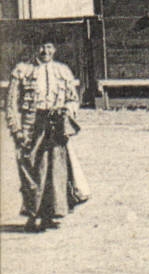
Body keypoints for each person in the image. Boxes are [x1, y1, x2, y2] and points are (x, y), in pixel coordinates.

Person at [6, 41, 89, 232]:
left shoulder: (62, 71)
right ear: (35, 48)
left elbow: (73, 99)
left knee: (55, 171)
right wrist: (17, 130)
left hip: (54, 127)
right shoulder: (22, 70)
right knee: (31, 170)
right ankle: (32, 215)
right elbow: (11, 105)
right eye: (42, 46)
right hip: (30, 126)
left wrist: (65, 111)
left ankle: (49, 215)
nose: (45, 51)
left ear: (55, 49)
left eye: (50, 47)